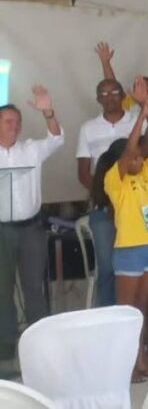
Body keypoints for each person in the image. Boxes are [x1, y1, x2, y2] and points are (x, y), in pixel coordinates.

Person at [100, 79, 148, 380]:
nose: (139, 157)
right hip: (130, 249)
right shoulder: (114, 180)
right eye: (133, 156)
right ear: (122, 159)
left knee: (141, 307)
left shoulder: (145, 173)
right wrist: (143, 113)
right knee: (127, 312)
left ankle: (140, 360)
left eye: (141, 156)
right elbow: (133, 145)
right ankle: (124, 365)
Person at [0, 86, 63, 363]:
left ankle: (40, 345)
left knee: (34, 288)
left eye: (18, 121)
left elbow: (57, 138)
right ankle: (5, 345)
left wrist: (48, 111)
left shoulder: (32, 150)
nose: (15, 126)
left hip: (31, 230)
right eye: (8, 121)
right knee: (2, 291)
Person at [77, 75, 142, 307]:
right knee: (107, 267)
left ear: (123, 96)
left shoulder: (136, 121)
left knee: (135, 265)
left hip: (135, 206)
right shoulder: (88, 128)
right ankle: (108, 316)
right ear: (97, 99)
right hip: (104, 208)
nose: (109, 97)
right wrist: (107, 196)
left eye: (114, 92)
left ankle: (134, 317)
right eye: (103, 94)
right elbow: (84, 172)